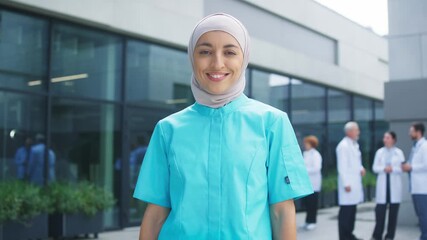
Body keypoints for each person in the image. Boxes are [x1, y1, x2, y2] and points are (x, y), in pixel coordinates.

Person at [133, 13, 313, 240]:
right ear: (192, 57)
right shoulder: (168, 129)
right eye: (205, 51)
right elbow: (156, 212)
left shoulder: (272, 123)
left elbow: (282, 211)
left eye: (229, 52)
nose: (217, 63)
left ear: (244, 58)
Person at [371, 131, 405, 240]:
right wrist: (384, 169)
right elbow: (375, 168)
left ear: (393, 139)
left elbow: (402, 168)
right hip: (383, 186)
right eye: (384, 137)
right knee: (380, 212)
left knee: (393, 214)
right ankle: (377, 235)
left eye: (388, 137)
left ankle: (390, 236)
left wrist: (393, 169)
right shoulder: (379, 152)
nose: (385, 139)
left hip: (394, 186)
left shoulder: (399, 153)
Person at [336, 121, 365, 240]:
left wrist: (361, 168)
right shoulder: (343, 146)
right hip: (348, 185)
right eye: (356, 130)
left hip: (355, 183)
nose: (358, 132)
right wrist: (346, 183)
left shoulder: (354, 144)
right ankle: (344, 236)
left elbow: (356, 162)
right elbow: (341, 167)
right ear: (349, 131)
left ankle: (350, 235)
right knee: (346, 212)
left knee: (352, 211)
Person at [402, 122, 427, 240]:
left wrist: (411, 167)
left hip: (423, 188)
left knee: (424, 214)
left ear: (418, 132)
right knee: (420, 214)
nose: (409, 133)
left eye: (411, 131)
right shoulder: (415, 146)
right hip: (416, 187)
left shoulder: (425, 146)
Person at [301, 135, 322, 231]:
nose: (305, 145)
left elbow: (316, 168)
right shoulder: (305, 154)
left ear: (311, 144)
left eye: (306, 143)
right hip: (306, 183)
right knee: (307, 203)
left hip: (314, 183)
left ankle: (312, 221)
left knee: (313, 203)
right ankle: (307, 221)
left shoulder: (316, 155)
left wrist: (304, 169)